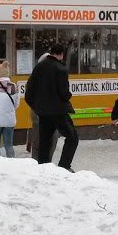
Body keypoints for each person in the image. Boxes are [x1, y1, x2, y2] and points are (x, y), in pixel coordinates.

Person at [25, 44, 78, 172]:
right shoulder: (61, 69)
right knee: (72, 137)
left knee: (45, 141)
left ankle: (43, 167)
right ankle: (64, 165)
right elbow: (64, 93)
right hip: (59, 111)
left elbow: (29, 93)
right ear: (61, 54)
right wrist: (68, 95)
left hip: (43, 112)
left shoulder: (38, 68)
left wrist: (36, 107)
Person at [26, 53, 58, 159]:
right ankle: (37, 165)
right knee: (37, 143)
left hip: (53, 115)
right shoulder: (34, 77)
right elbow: (29, 96)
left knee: (52, 142)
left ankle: (47, 164)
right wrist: (36, 109)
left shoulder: (55, 76)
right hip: (38, 116)